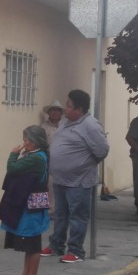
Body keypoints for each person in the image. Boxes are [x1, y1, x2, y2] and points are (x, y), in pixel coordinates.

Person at [41, 89, 109, 263]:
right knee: (60, 214)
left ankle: (76, 251)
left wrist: (81, 165)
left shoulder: (91, 125)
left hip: (79, 181)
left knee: (77, 216)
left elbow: (102, 151)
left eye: (68, 105)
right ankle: (56, 245)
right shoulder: (65, 122)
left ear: (79, 109)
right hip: (60, 179)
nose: (65, 108)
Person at [0, 125, 50, 275]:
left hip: (31, 206)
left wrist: (13, 154)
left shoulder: (36, 158)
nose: (24, 142)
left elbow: (12, 169)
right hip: (30, 204)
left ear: (35, 142)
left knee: (33, 243)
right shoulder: (36, 155)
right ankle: (25, 274)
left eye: (27, 140)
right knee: (28, 243)